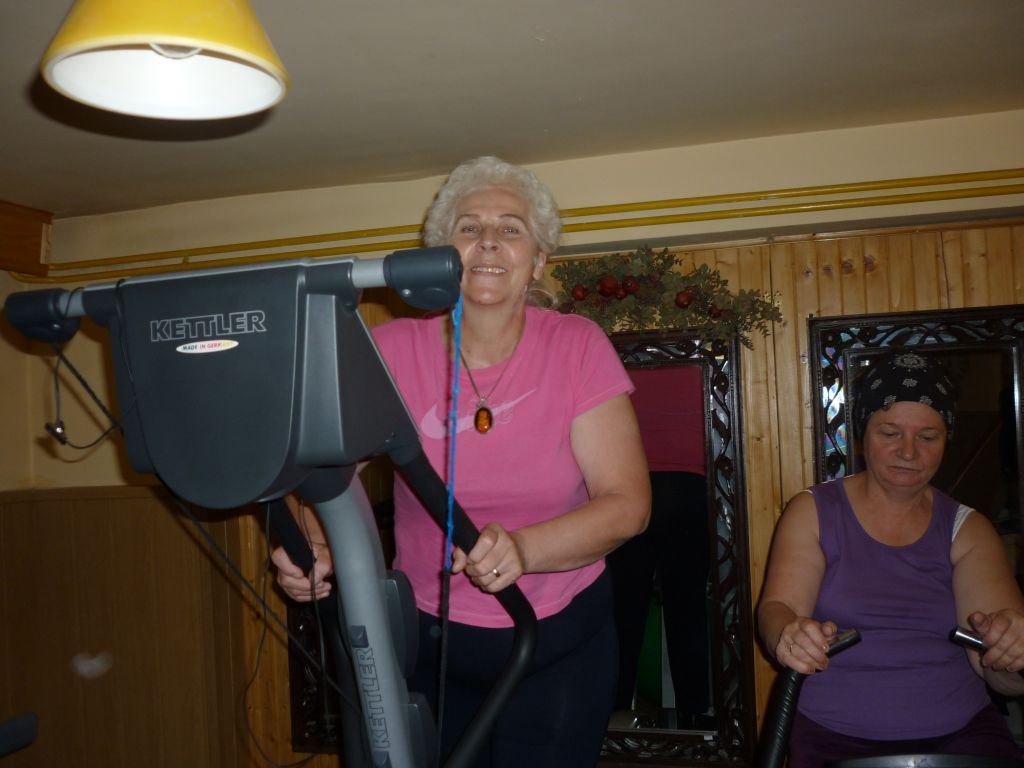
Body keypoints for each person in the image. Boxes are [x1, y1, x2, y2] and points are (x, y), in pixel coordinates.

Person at [272, 156, 651, 767]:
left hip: (555, 639)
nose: (489, 241)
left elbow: (627, 505)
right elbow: (327, 474)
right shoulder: (392, 350)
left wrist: (524, 548)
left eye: (511, 228)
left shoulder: (577, 346)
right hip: (427, 638)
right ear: (442, 256)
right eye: (469, 227)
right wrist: (313, 544)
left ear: (538, 260)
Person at [757, 350, 1024, 767]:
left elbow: (1003, 679)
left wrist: (1010, 653)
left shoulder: (969, 529)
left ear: (946, 440)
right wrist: (788, 635)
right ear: (862, 435)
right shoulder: (813, 511)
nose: (908, 452)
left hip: (961, 733)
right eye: (890, 433)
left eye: (928, 437)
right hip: (832, 734)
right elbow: (777, 607)